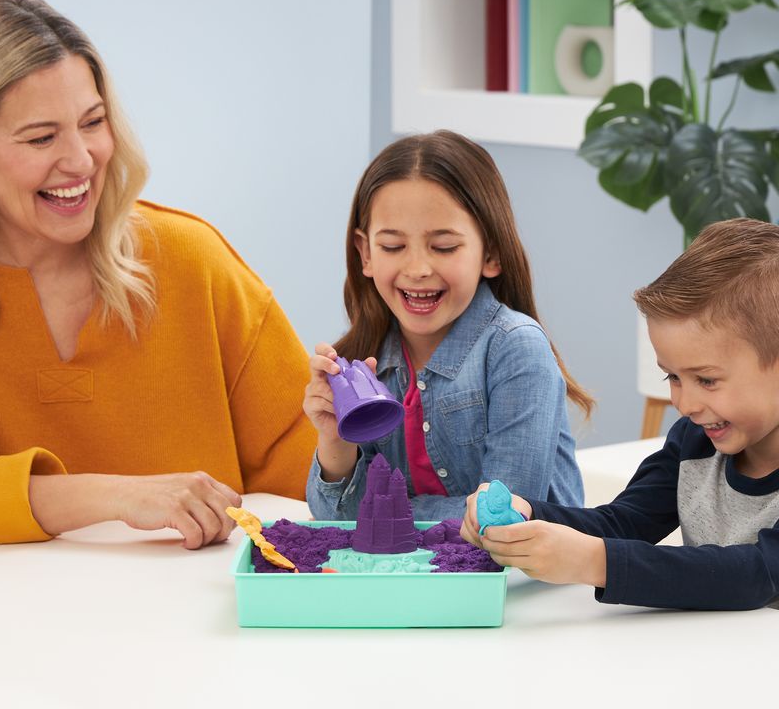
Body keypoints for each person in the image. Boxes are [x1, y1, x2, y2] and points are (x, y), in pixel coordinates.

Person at [0, 0, 317, 548]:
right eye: (41, 137)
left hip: (195, 626)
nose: (82, 160)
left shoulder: (192, 261)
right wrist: (114, 496)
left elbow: (320, 482)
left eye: (93, 122)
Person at [461, 217, 779, 611]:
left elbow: (757, 575)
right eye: (673, 377)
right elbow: (624, 523)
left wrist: (595, 562)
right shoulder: (692, 442)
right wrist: (528, 513)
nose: (685, 404)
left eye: (707, 380)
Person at [304, 130, 592, 520]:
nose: (418, 269)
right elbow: (335, 521)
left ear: (490, 252)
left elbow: (503, 517)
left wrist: (386, 513)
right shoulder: (363, 361)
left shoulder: (517, 349)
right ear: (366, 253)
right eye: (392, 246)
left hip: (528, 581)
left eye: (444, 247)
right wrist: (335, 440)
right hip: (419, 577)